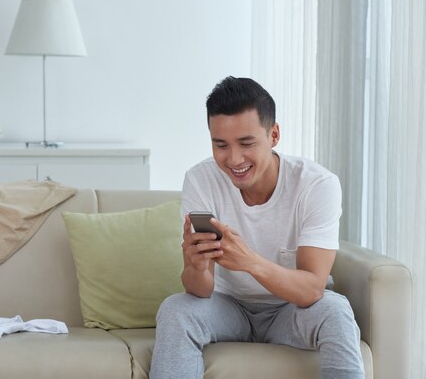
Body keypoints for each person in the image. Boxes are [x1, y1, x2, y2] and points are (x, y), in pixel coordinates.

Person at [149, 76, 364, 379]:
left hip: (291, 310)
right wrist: (195, 266)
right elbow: (199, 290)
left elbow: (312, 290)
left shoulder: (316, 185)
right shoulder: (201, 179)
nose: (234, 159)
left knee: (336, 311)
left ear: (274, 134)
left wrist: (249, 262)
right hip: (228, 307)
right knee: (176, 309)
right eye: (220, 145)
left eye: (246, 143)